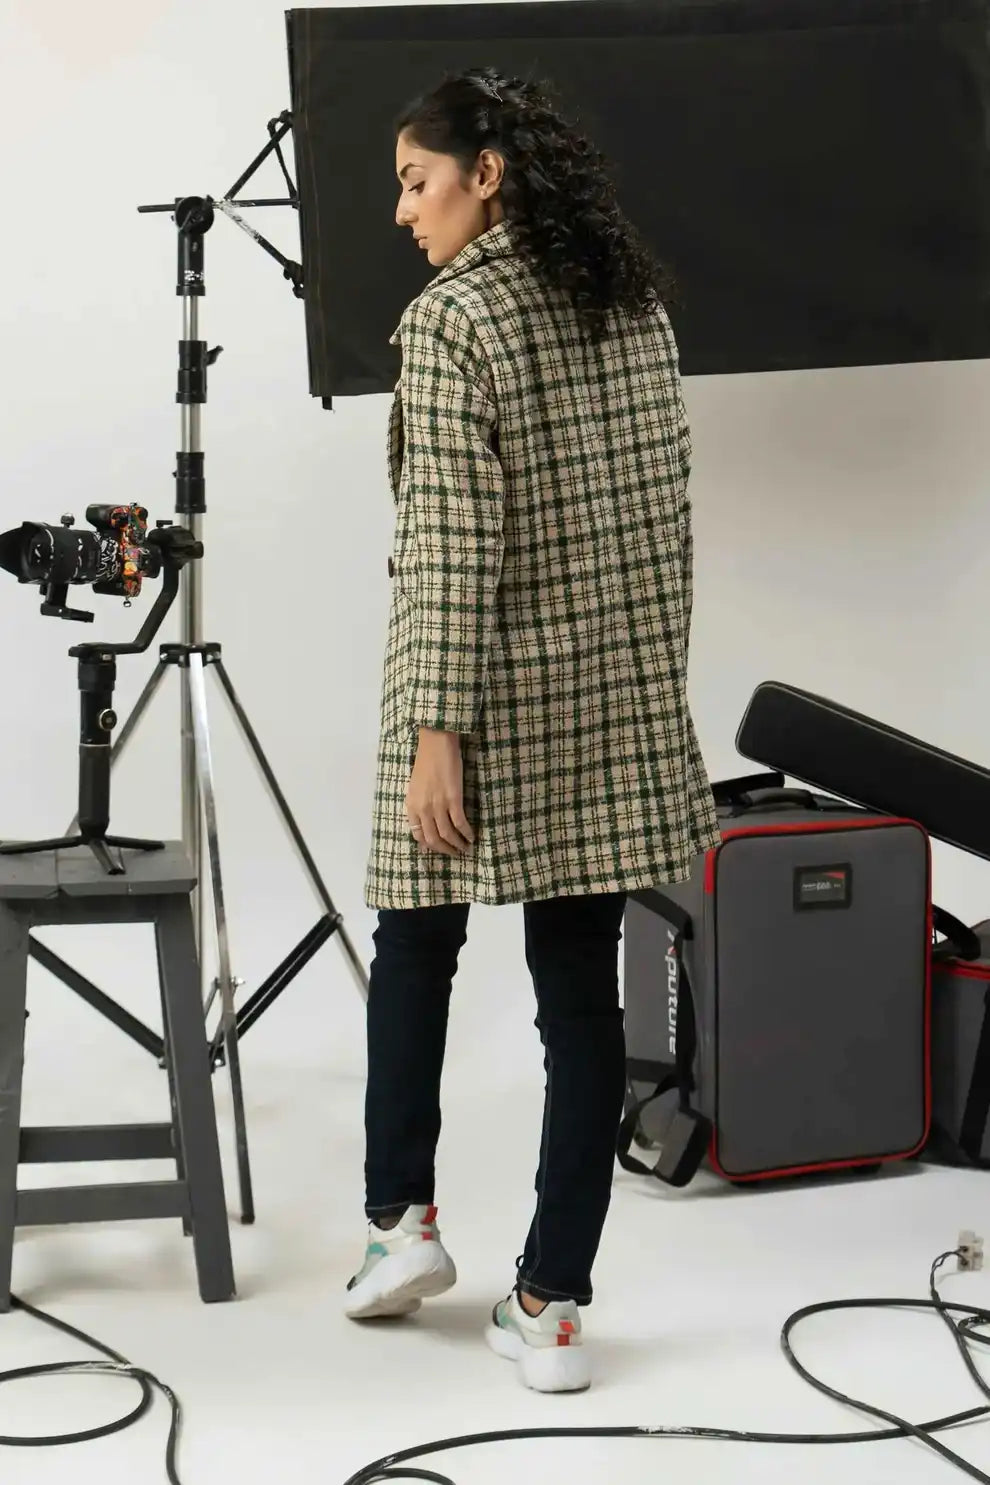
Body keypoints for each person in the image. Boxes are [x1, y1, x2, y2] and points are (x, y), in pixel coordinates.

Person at [344, 66, 719, 1393]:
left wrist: (437, 728)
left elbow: (452, 538)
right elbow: (668, 521)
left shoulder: (451, 319)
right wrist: (645, 690)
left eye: (414, 178)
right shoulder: (630, 302)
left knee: (413, 943)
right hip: (607, 700)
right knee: (578, 1005)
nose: (402, 210)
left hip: (474, 692)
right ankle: (552, 1304)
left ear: (485, 173)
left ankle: (400, 1230)